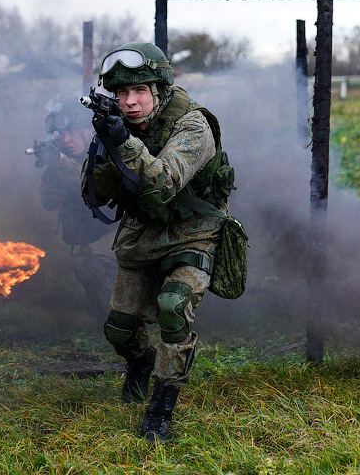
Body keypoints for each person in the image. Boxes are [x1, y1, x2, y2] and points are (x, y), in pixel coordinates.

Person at [81, 42, 234, 443]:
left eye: (140, 92)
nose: (130, 103)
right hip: (141, 235)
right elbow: (95, 194)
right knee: (119, 331)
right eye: (121, 94)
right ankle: (142, 362)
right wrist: (104, 146)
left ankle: (162, 405)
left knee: (173, 308)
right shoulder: (120, 122)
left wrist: (124, 142)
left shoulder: (193, 126)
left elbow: (164, 181)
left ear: (160, 91)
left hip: (194, 232)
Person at [33, 102, 115, 325]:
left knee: (90, 266)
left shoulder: (111, 150)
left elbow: (97, 189)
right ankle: (113, 325)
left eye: (71, 132)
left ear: (89, 130)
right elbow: (48, 202)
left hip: (126, 234)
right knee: (87, 268)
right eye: (62, 134)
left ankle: (124, 326)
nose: (66, 139)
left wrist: (61, 162)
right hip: (93, 238)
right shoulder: (64, 158)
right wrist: (52, 165)